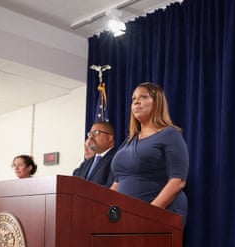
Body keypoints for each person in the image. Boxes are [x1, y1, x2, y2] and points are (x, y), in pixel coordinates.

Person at [110, 82, 189, 221]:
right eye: (134, 99)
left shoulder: (170, 134)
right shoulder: (129, 140)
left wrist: (148, 214)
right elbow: (118, 182)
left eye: (143, 97)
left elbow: (178, 181)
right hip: (125, 217)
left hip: (158, 215)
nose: (136, 102)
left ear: (157, 103)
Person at [78, 121, 118, 188]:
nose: (91, 137)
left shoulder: (117, 159)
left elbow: (111, 189)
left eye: (96, 132)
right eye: (90, 134)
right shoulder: (84, 165)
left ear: (109, 138)